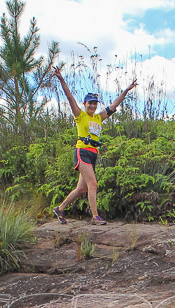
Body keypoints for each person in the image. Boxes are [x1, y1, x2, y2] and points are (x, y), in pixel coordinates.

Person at [51, 67, 137, 225]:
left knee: (82, 189)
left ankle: (60, 208)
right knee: (93, 184)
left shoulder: (99, 118)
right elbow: (69, 97)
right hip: (82, 152)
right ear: (85, 104)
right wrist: (61, 79)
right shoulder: (80, 115)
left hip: (92, 154)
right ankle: (95, 217)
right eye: (90, 103)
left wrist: (126, 91)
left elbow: (113, 104)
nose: (92, 106)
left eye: (95, 104)